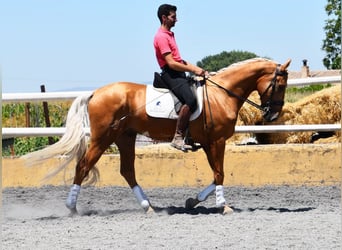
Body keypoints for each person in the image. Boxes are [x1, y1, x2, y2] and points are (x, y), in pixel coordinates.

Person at [153, 4, 207, 151]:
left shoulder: (169, 35)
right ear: (164, 18)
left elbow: (179, 60)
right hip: (171, 74)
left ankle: (190, 136)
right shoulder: (161, 37)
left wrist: (199, 69)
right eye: (173, 17)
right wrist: (193, 69)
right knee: (191, 100)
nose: (176, 20)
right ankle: (178, 137)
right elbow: (171, 63)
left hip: (178, 72)